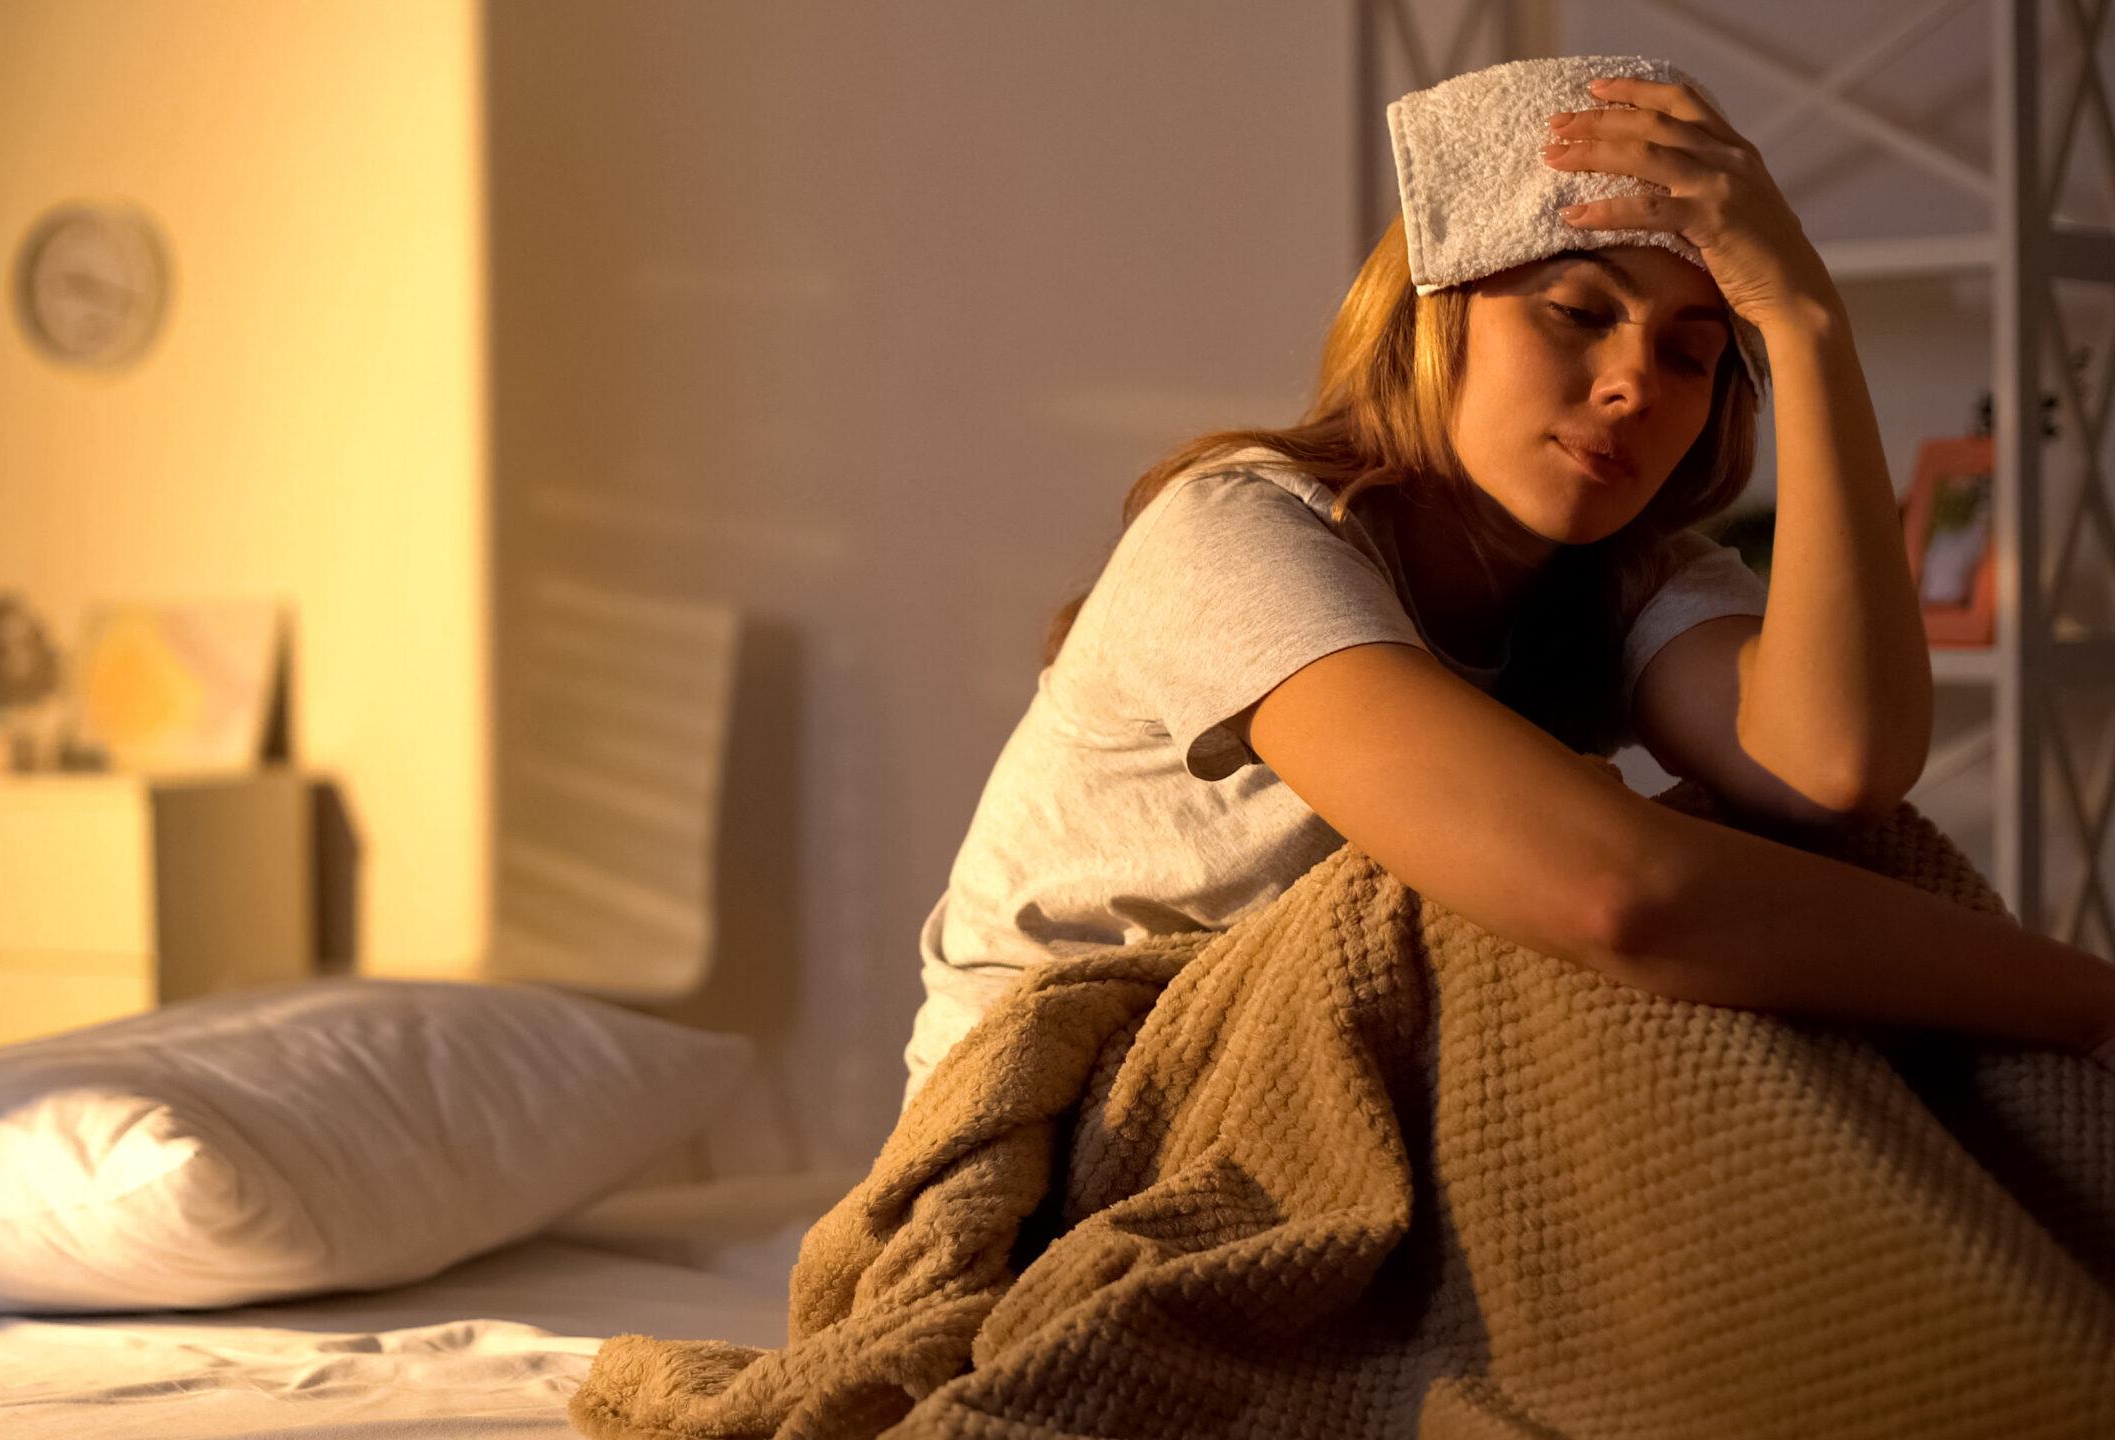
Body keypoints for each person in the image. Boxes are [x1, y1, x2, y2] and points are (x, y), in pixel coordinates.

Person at [901, 56, 2115, 1107]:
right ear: (1435, 324)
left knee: (1827, 863)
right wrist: (2085, 1001)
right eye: (1578, 314)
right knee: (1589, 896)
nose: (1637, 385)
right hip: (1064, 1129)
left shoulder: (1621, 580)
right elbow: (1611, 896)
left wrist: (1802, 326)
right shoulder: (1231, 534)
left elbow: (1837, 772)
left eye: (1693, 358)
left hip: (1338, 1103)